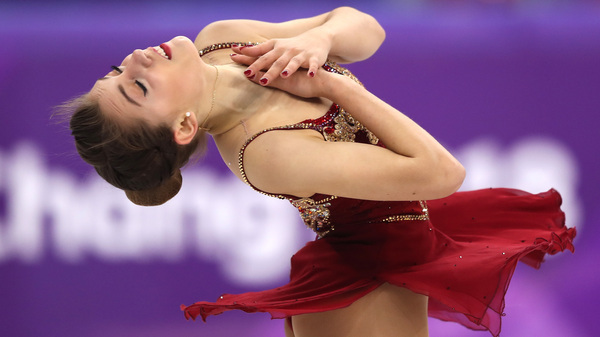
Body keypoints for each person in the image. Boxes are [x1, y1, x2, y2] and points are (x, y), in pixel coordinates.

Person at [65, 6, 575, 337]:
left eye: (117, 72)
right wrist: (336, 87)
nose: (134, 60)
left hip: (410, 242)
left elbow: (366, 27)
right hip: (368, 280)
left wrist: (322, 39)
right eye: (138, 87)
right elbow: (442, 172)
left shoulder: (220, 41)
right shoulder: (264, 152)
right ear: (183, 126)